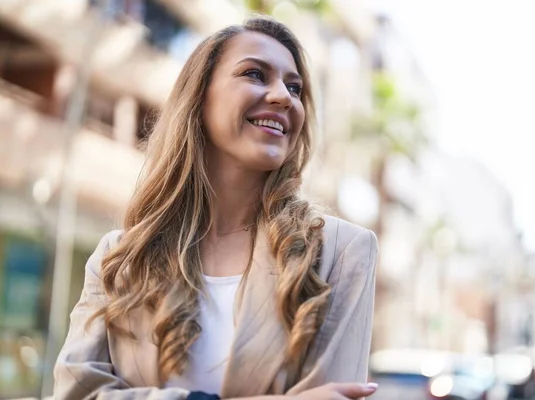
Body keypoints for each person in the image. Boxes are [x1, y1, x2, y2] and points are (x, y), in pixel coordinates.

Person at [53, 16, 378, 400]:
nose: (283, 96)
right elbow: (76, 392)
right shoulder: (120, 259)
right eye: (255, 74)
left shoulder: (342, 253)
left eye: (294, 87)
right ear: (199, 97)